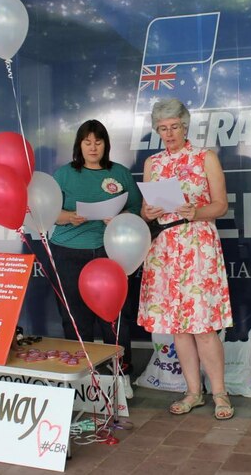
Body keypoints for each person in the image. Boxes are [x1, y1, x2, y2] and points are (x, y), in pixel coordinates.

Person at [138, 98, 234, 420]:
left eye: (174, 127)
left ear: (185, 125)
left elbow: (220, 205)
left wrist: (196, 211)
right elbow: (145, 209)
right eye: (162, 129)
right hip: (165, 246)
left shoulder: (205, 157)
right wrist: (147, 211)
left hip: (197, 243)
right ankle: (193, 391)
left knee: (203, 325)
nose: (169, 133)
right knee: (179, 328)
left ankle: (220, 392)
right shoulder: (153, 163)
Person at [50, 119, 142, 372]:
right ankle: (81, 370)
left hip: (112, 251)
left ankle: (119, 369)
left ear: (106, 145)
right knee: (76, 317)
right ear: (79, 145)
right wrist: (69, 217)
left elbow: (136, 208)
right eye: (87, 142)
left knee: (115, 314)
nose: (93, 148)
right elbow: (46, 212)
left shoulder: (120, 173)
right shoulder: (65, 174)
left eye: (98, 142)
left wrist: (121, 217)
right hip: (69, 252)